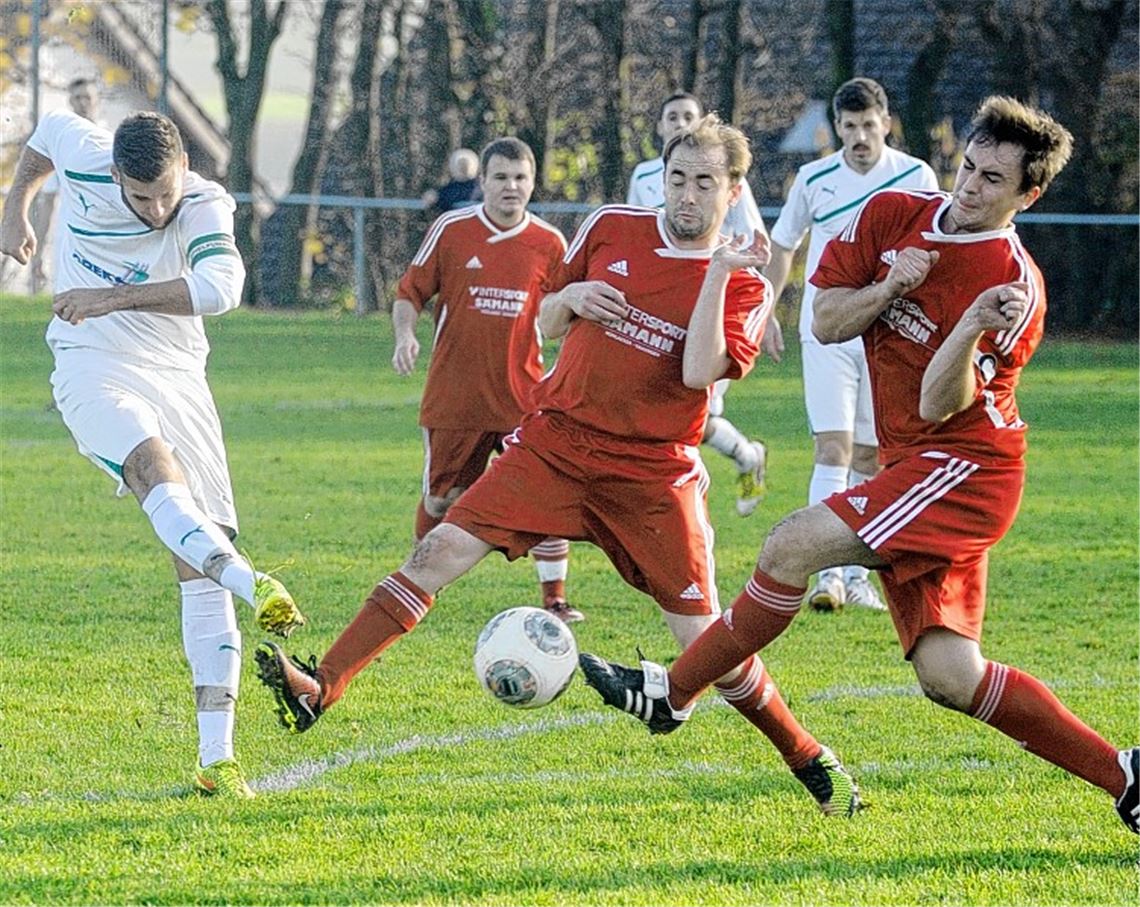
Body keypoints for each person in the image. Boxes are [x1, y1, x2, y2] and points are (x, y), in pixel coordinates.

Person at [256, 114, 863, 818]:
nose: (687, 195)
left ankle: (807, 757)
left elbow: (699, 372)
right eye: (677, 179)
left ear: (733, 191)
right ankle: (321, 686)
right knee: (436, 550)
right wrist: (569, 298)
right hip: (557, 443)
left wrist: (717, 274)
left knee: (706, 646)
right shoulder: (612, 226)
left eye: (705, 183)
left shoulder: (748, 285)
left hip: (652, 475)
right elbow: (545, 321)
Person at [579, 96, 1139, 834]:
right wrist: (891, 286)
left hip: (966, 467)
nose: (970, 187)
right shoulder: (893, 214)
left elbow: (940, 403)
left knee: (791, 544)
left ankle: (672, 693)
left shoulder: (1012, 288)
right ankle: (1125, 777)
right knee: (951, 676)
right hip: (916, 464)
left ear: (1027, 196)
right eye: (969, 166)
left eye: (993, 180)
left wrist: (970, 324)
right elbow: (826, 319)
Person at [0, 109, 307, 799]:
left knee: (197, 560)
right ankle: (250, 580)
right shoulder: (85, 154)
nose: (156, 209)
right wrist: (14, 208)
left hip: (180, 377)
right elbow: (45, 134)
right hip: (90, 364)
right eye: (141, 197)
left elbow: (222, 288)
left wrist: (112, 297)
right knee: (149, 465)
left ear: (183, 170)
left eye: (165, 192)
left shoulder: (202, 203)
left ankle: (216, 760)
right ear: (114, 175)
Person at [763, 77, 939, 612]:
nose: (860, 136)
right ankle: (826, 576)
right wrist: (766, 310)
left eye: (868, 125)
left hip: (887, 331)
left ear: (886, 123)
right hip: (826, 329)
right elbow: (783, 245)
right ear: (836, 128)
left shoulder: (916, 176)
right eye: (849, 126)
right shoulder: (814, 178)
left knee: (868, 453)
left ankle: (857, 576)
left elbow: (937, 248)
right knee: (832, 448)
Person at [392, 136, 580, 623]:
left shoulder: (550, 243)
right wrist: (405, 335)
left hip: (523, 396)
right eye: (500, 177)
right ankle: (416, 584)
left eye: (520, 178)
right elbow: (410, 292)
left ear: (533, 183)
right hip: (456, 395)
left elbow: (564, 312)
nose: (510, 187)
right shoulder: (452, 229)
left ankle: (556, 599)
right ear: (483, 182)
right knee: (442, 498)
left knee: (546, 493)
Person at [629, 92, 768, 517]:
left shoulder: (723, 175)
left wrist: (761, 306)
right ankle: (745, 456)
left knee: (691, 412)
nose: (680, 123)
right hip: (658, 305)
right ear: (660, 126)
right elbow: (638, 237)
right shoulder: (644, 175)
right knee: (671, 409)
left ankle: (689, 504)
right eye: (672, 116)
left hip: (712, 304)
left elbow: (754, 239)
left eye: (688, 116)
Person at [28, 77, 103, 292]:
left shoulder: (114, 141)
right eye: (77, 98)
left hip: (106, 235)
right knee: (67, 299)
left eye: (87, 97)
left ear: (97, 101)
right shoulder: (60, 144)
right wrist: (38, 252)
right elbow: (48, 201)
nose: (83, 103)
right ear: (70, 102)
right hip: (70, 237)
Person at [421, 148, 482, 216]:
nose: (462, 167)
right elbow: (439, 199)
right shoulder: (449, 189)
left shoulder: (481, 188)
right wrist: (433, 197)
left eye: (465, 164)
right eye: (460, 164)